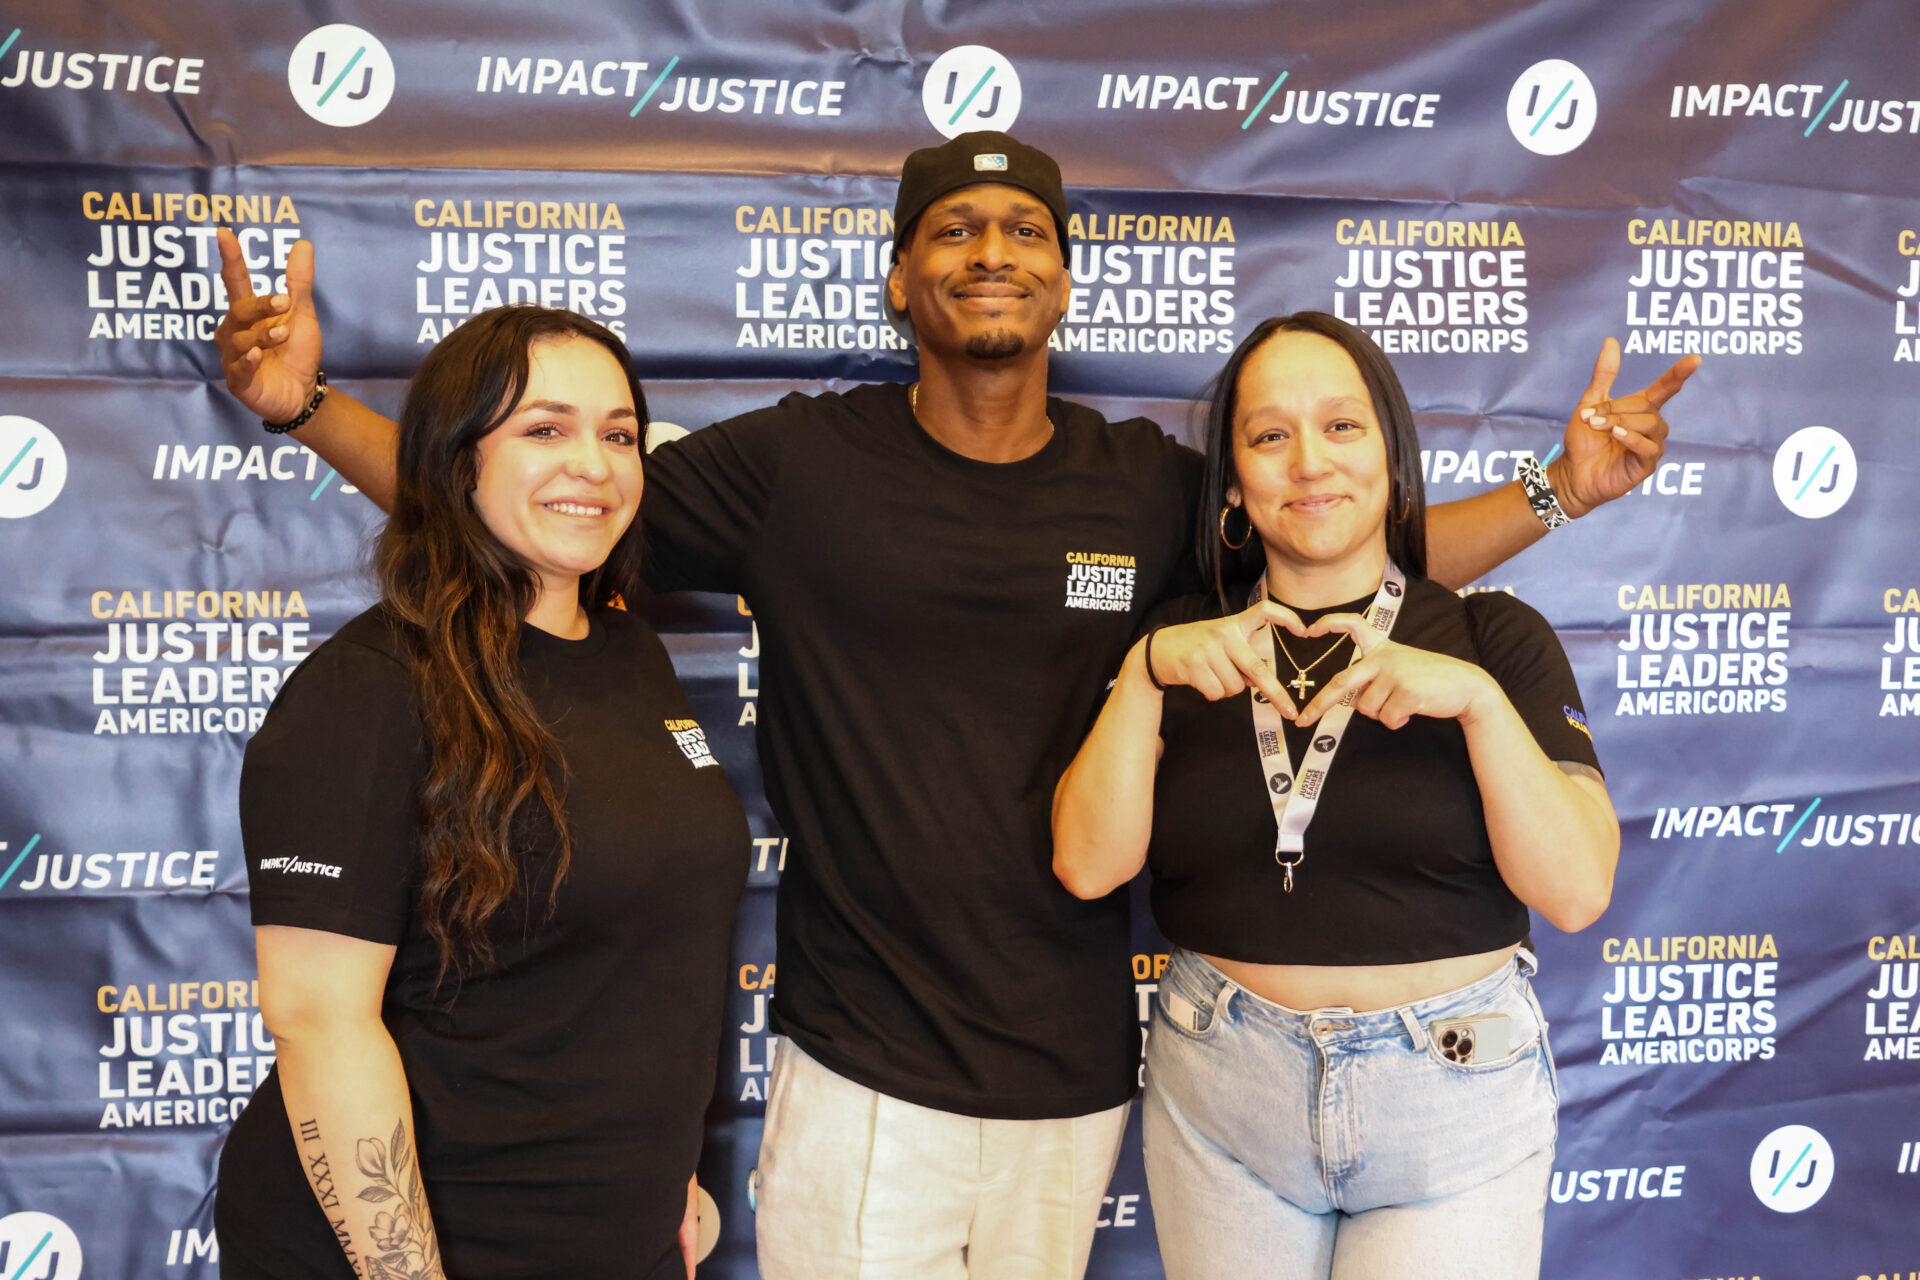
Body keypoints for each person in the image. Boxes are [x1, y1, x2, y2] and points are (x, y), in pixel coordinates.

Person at [211, 131, 1687, 1280]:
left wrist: (1563, 494)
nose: (993, 251)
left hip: (1082, 1074)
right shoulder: (795, 467)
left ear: (1063, 279)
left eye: (1026, 231)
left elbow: (1343, 540)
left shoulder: (1151, 486)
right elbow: (540, 499)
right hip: (864, 1069)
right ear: (901, 279)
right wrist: (306, 406)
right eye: (954, 231)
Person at [1052, 312, 1617, 1279]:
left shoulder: (1493, 638)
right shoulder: (1180, 639)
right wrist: (1145, 673)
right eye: (1270, 437)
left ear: (1393, 458)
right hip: (1223, 1094)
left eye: (1341, 428)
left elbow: (1574, 892)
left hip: (1452, 1097)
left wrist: (1479, 708)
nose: (1308, 462)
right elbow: (1086, 863)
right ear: (1234, 485)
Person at [213, 306, 749, 1280]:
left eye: (619, 433)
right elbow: (318, 1018)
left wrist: (659, 1179)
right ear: (458, 461)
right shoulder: (372, 684)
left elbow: (630, 955)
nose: (593, 462)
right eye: (544, 429)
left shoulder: (627, 651)